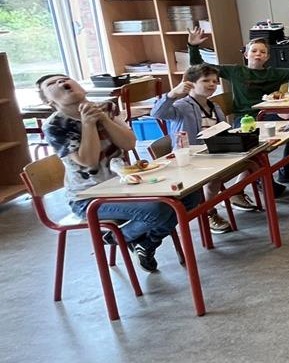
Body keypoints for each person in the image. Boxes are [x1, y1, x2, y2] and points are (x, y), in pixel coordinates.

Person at [38, 73, 201, 273]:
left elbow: (128, 143)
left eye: (64, 78)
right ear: (48, 101)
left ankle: (145, 243)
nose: (61, 82)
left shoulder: (107, 107)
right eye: (51, 84)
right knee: (159, 209)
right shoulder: (55, 125)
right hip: (88, 197)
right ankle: (117, 238)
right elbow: (88, 161)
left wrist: (103, 119)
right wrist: (88, 124)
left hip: (125, 184)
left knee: (191, 195)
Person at [188, 27, 289, 186]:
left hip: (267, 115)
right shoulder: (235, 71)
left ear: (267, 57)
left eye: (262, 52)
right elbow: (199, 67)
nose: (258, 54)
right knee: (257, 141)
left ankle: (287, 168)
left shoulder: (274, 73)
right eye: (254, 51)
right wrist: (193, 47)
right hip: (244, 119)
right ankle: (263, 180)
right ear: (246, 54)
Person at [151, 63, 256, 232]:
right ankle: (208, 211)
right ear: (190, 83)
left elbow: (223, 131)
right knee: (214, 177)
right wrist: (172, 94)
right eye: (206, 81)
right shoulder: (181, 106)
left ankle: (234, 194)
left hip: (214, 153)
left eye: (214, 81)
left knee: (254, 161)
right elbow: (157, 113)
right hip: (191, 158)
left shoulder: (214, 106)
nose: (212, 84)